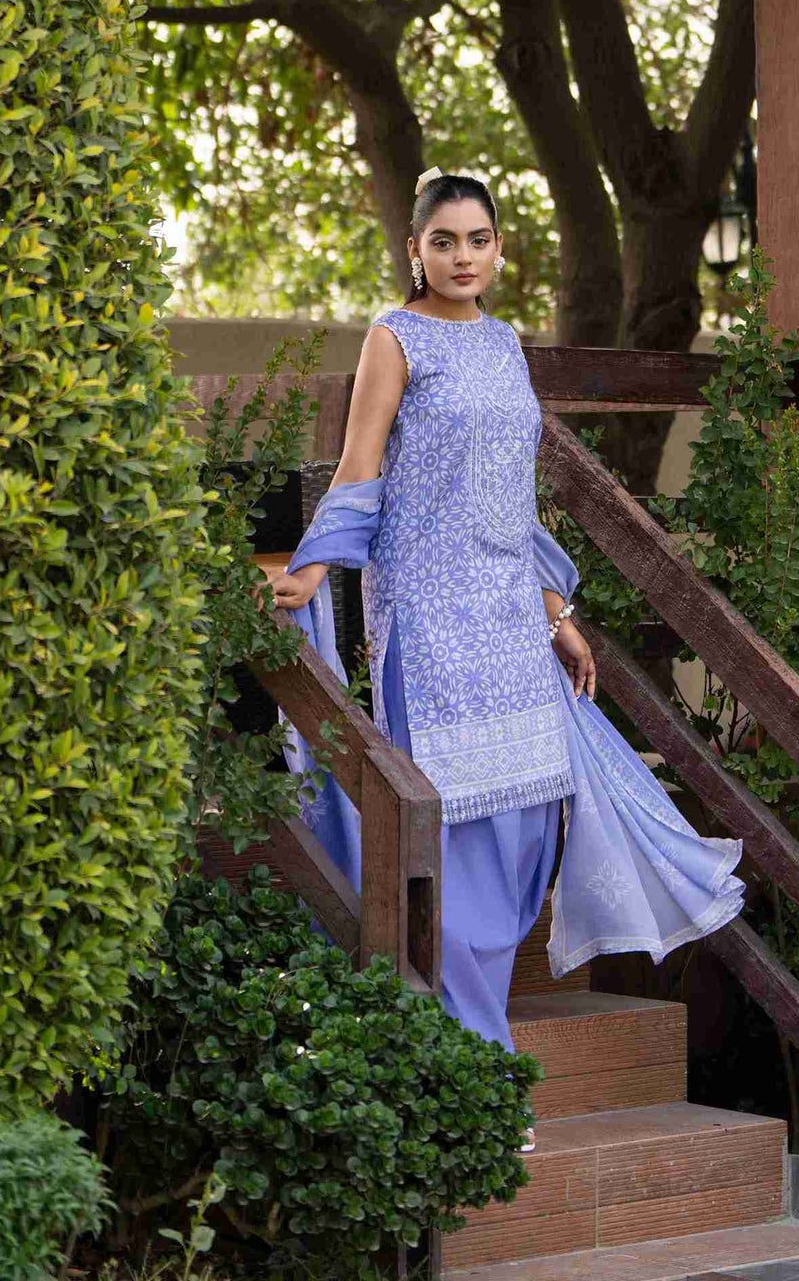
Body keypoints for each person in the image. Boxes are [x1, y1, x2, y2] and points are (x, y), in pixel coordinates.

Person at [274, 168, 745, 1142]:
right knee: (451, 838)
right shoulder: (392, 337)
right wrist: (312, 568)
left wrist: (552, 608)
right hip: (428, 613)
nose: (462, 256)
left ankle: (463, 1051)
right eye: (443, 240)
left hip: (505, 612)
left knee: (527, 828)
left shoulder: (500, 345)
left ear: (498, 249)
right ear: (415, 248)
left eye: (478, 239)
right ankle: (480, 1078)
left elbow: (509, 495)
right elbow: (360, 465)